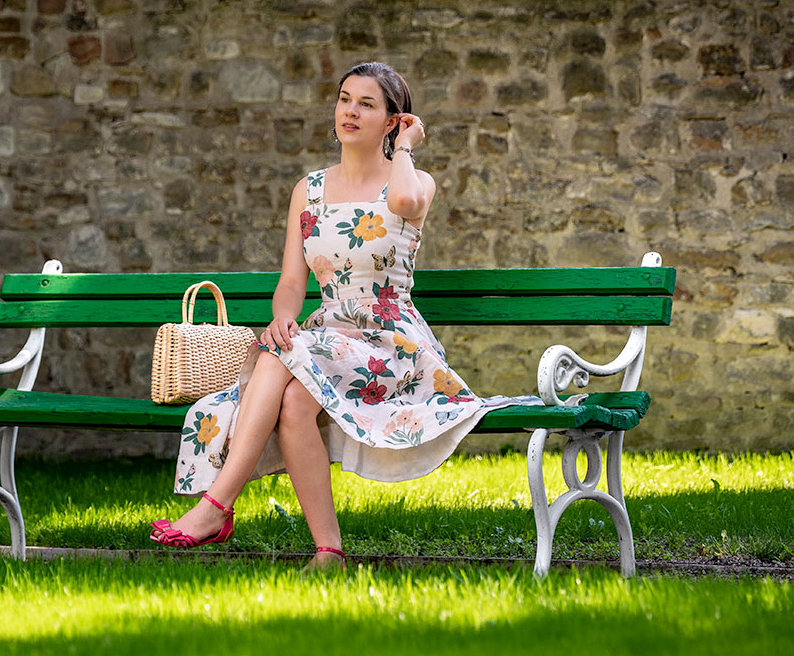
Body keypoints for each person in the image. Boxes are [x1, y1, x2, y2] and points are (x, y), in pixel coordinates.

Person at [150, 61, 540, 569]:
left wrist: (405, 146)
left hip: (388, 343)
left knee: (279, 360)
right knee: (289, 392)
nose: (350, 111)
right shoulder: (307, 190)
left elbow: (402, 199)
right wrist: (283, 317)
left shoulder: (414, 181)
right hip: (326, 335)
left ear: (393, 121)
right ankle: (328, 551)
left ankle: (216, 506)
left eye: (367, 104)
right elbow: (292, 282)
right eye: (344, 98)